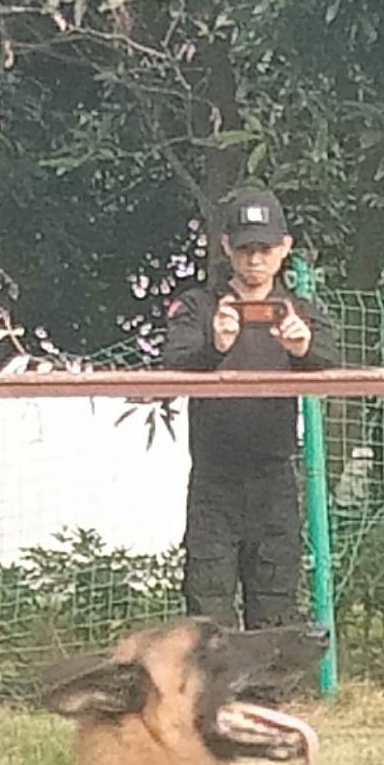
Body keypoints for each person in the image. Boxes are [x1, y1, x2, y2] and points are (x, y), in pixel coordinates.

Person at [158, 186, 337, 628]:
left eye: (265, 248)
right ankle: (209, 700)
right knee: (208, 608)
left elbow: (335, 361)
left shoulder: (301, 311)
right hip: (213, 482)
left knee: (275, 607)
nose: (254, 260)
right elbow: (172, 363)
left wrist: (304, 348)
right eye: (244, 249)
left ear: (284, 249)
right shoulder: (200, 307)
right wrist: (214, 346)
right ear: (226, 248)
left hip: (274, 478)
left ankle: (267, 700)